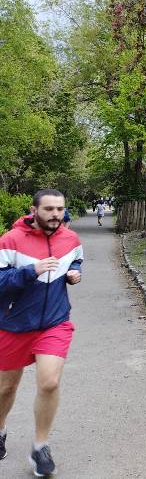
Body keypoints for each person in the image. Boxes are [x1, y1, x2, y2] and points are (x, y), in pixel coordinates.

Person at [0, 189, 83, 476]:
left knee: (49, 383)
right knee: (6, 388)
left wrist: (74, 273)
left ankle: (40, 447)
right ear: (33, 210)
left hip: (54, 322)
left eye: (59, 209)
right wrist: (30, 270)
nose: (55, 215)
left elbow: (76, 260)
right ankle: (0, 429)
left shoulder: (70, 239)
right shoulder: (10, 241)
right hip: (13, 324)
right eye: (48, 209)